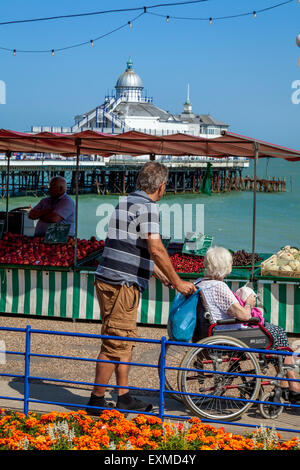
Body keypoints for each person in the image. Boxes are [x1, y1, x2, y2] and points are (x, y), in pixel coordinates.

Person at [86, 161, 196, 415]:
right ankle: (96, 401)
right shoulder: (148, 208)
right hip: (121, 284)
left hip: (109, 278)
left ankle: (123, 396)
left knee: (124, 340)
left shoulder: (124, 202)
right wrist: (178, 282)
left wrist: (158, 273)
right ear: (161, 186)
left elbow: (133, 248)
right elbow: (156, 248)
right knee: (115, 342)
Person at [196, 246, 300, 404]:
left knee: (273, 338)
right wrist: (249, 303)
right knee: (277, 334)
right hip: (228, 333)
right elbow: (244, 315)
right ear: (226, 267)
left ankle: (286, 384)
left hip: (210, 332)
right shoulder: (219, 287)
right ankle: (291, 385)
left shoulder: (199, 283)